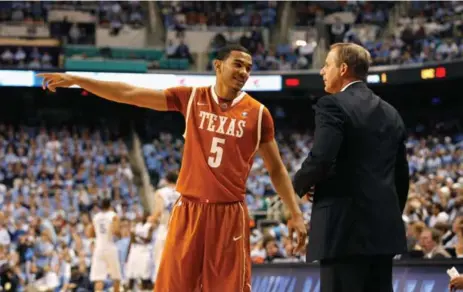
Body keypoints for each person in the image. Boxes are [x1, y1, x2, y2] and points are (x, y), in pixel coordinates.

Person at [37, 43, 307, 292]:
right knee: (172, 286)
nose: (244, 72)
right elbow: (129, 93)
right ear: (217, 65)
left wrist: (294, 213)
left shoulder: (259, 114)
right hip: (189, 209)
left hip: (229, 213)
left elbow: (276, 169)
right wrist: (78, 79)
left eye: (248, 67)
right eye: (237, 64)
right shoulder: (191, 98)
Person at [293, 43, 410, 292]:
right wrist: (386, 214)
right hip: (383, 233)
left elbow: (321, 159)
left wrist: (297, 184)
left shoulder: (332, 105)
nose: (322, 71)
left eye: (327, 65)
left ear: (343, 69)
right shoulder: (392, 113)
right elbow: (401, 176)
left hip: (343, 232)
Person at [86, 197, 122, 292]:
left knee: (99, 278)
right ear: (110, 205)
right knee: (116, 276)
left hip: (99, 248)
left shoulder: (95, 217)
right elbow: (116, 231)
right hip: (110, 247)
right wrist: (120, 234)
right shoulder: (113, 215)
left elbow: (90, 234)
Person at [151, 171, 180, 285]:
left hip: (165, 228)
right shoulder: (182, 192)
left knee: (160, 260)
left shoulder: (161, 193)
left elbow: (158, 211)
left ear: (166, 180)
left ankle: (161, 286)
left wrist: (151, 219)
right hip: (179, 230)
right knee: (176, 261)